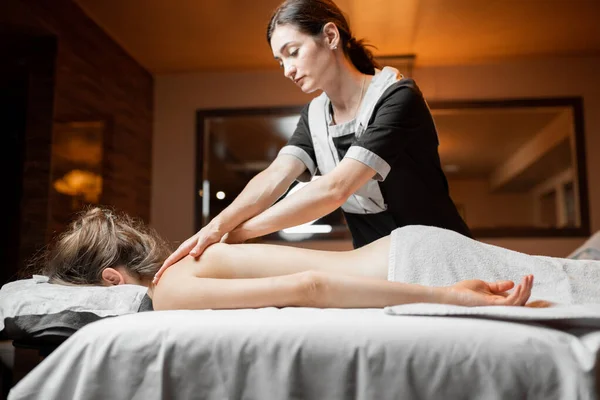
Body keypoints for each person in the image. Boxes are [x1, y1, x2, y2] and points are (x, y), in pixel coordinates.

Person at [154, 0, 470, 283]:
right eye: (280, 61)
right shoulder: (315, 114)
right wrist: (215, 227)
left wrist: (239, 233)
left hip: (440, 257)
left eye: (293, 52)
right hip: (380, 268)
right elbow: (276, 175)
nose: (288, 70)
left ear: (331, 37)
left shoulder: (398, 97)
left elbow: (334, 189)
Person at [31, 207, 534, 310]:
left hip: (412, 266)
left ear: (112, 280)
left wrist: (447, 297)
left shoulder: (170, 290)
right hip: (409, 250)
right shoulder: (180, 272)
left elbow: (309, 286)